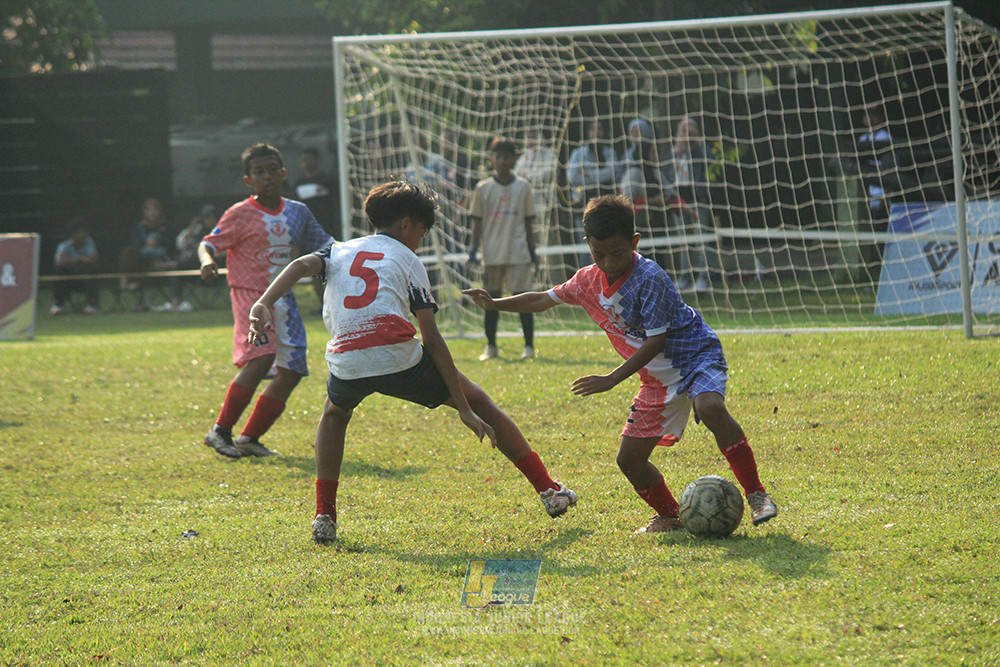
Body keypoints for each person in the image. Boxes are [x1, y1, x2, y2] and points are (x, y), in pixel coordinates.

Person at [247, 180, 577, 543]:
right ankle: (549, 490)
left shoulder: (337, 250)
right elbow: (432, 339)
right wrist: (464, 407)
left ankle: (324, 515)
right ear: (407, 223)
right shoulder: (407, 258)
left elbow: (298, 265)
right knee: (480, 400)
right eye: (421, 231)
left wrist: (262, 303)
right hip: (399, 360)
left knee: (334, 414)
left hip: (347, 362)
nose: (420, 240)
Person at [463, 194, 778, 533]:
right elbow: (542, 299)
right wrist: (495, 304)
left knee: (711, 406)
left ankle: (757, 495)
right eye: (599, 254)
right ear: (588, 243)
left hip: (694, 356)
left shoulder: (650, 278)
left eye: (617, 253)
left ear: (634, 242)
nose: (609, 262)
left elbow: (656, 341)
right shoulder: (586, 280)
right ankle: (671, 515)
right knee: (629, 460)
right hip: (656, 378)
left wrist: (611, 379)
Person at [198, 143, 334, 459]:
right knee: (261, 357)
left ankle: (249, 438)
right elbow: (208, 244)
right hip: (250, 296)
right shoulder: (239, 214)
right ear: (249, 180)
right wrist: (207, 261)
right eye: (259, 172)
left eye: (273, 169)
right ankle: (219, 431)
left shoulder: (298, 212)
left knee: (293, 370)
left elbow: (326, 246)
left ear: (283, 173)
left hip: (285, 300)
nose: (268, 176)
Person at [467, 138, 538, 361]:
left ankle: (529, 347)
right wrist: (473, 248)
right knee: (491, 301)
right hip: (492, 253)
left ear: (514, 159)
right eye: (498, 157)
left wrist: (532, 248)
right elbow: (477, 221)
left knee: (523, 301)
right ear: (491, 159)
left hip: (518, 252)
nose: (502, 161)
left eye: (507, 157)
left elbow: (528, 221)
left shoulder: (523, 186)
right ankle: (491, 346)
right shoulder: (483, 188)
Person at [663, 116, 715, 292]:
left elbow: (711, 160)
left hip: (697, 197)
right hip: (679, 199)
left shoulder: (699, 149)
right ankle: (685, 277)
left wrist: (698, 141)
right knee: (683, 241)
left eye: (690, 128)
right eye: (683, 129)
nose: (686, 132)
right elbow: (668, 174)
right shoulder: (673, 152)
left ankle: (704, 277)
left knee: (702, 239)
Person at [294, 147, 340, 315]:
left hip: (327, 228)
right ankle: (323, 305)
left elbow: (336, 201)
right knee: (314, 268)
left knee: (333, 267)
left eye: (309, 159)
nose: (306, 163)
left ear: (316, 160)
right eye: (304, 160)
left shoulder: (327, 180)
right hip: (308, 232)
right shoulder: (298, 182)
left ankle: (337, 303)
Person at [567, 118, 617, 268]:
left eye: (600, 128)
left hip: (606, 205)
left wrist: (588, 174)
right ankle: (586, 279)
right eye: (593, 129)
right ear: (588, 132)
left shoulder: (610, 152)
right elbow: (573, 178)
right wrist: (600, 176)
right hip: (583, 204)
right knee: (585, 245)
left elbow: (612, 173)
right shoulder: (578, 153)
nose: (597, 132)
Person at [50, 216, 100, 315]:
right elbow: (59, 262)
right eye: (82, 231)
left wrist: (71, 260)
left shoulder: (89, 242)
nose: (85, 234)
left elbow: (93, 259)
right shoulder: (64, 246)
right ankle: (58, 305)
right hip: (69, 280)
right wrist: (81, 259)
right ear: (74, 233)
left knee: (92, 269)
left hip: (85, 278)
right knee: (59, 271)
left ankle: (92, 305)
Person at [514, 127, 558, 233]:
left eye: (533, 137)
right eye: (528, 137)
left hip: (546, 204)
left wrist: (528, 177)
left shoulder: (549, 154)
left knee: (548, 236)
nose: (530, 141)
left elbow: (547, 174)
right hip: (528, 205)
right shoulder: (524, 158)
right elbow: (516, 175)